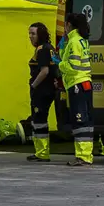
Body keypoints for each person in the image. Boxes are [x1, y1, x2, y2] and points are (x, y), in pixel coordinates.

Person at [58, 13, 94, 167]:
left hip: (77, 83)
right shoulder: (81, 40)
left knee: (80, 120)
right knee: (86, 120)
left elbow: (73, 66)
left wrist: (59, 64)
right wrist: (62, 49)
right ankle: (86, 154)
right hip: (84, 83)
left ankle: (83, 156)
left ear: (68, 24)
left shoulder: (74, 41)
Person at [26, 23, 58, 162]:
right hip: (48, 89)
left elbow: (44, 71)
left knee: (39, 120)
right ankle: (40, 151)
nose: (30, 36)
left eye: (33, 33)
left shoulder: (43, 49)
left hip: (42, 90)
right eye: (29, 33)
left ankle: (42, 153)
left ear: (41, 34)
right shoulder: (48, 48)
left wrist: (33, 85)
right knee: (39, 119)